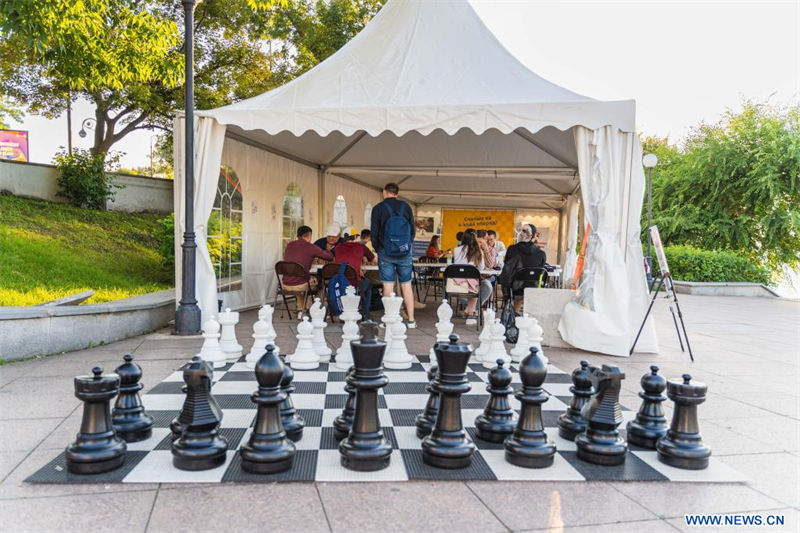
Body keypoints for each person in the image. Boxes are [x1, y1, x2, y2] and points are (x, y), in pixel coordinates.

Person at [370, 182, 417, 328]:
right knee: (406, 285)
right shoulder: (406, 207)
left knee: (388, 285)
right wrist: (406, 246)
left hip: (386, 251)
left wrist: (378, 249)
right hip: (404, 252)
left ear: (384, 192)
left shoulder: (378, 208)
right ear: (397, 193)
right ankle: (411, 320)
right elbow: (412, 231)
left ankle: (388, 320)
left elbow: (374, 232)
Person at [282, 226, 334, 315]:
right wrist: (328, 250)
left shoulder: (289, 245)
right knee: (320, 282)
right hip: (301, 285)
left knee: (300, 278)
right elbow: (329, 257)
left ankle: (300, 310)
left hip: (285, 285)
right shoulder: (311, 247)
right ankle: (319, 310)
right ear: (309, 235)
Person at [334, 226, 378, 318]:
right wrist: (363, 258)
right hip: (355, 284)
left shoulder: (337, 247)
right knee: (369, 284)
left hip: (339, 282)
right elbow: (374, 260)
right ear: (355, 237)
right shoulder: (361, 247)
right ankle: (366, 313)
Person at [451, 232, 493, 325]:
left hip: (457, 283)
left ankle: (469, 309)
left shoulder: (456, 249)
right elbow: (481, 268)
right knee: (475, 286)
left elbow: (456, 264)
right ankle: (470, 314)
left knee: (473, 284)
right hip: (472, 284)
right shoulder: (478, 251)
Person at [504, 223, 547, 312]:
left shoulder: (512, 249)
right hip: (533, 288)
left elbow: (507, 268)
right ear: (534, 236)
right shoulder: (541, 253)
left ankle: (515, 313)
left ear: (520, 234)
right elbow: (540, 271)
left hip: (515, 288)